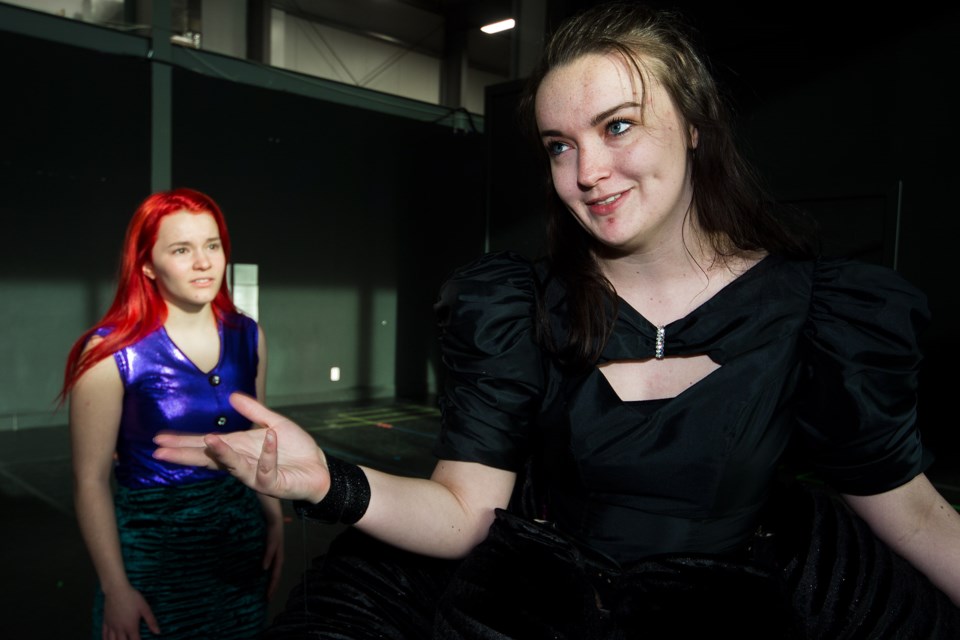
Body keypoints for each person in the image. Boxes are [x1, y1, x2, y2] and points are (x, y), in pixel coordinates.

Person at [154, 3, 960, 638]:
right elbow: (466, 514)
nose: (588, 173)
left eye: (617, 126)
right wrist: (330, 481)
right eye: (558, 146)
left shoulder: (817, 310)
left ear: (693, 125)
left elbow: (918, 516)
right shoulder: (516, 308)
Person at [61, 187, 284, 639]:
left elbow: (261, 436)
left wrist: (275, 519)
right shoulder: (110, 353)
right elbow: (89, 481)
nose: (204, 262)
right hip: (155, 559)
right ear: (146, 264)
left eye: (212, 245)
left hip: (240, 553)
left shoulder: (248, 336)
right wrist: (116, 586)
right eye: (182, 249)